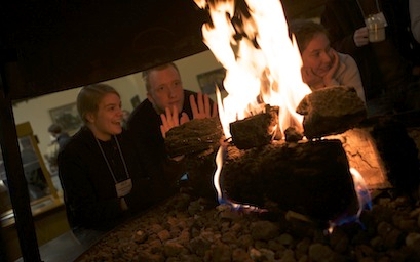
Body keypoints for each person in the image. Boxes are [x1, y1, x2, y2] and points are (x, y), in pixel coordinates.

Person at [58, 84, 155, 244]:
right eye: (111, 108)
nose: (120, 113)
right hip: (98, 234)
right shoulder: (72, 153)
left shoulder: (126, 138)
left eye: (119, 106)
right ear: (90, 116)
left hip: (135, 222)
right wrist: (125, 203)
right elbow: (83, 212)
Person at [126, 62, 217, 197]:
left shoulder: (202, 105)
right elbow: (155, 183)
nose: (172, 94)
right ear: (150, 96)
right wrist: (176, 152)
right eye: (162, 88)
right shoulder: (137, 126)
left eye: (176, 84)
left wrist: (206, 136)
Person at [320, 0, 420, 114]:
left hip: (407, 80)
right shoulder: (336, 6)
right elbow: (330, 47)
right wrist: (352, 41)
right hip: (373, 90)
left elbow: (410, 28)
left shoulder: (392, 3)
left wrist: (415, 63)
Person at [289, 19, 366, 102]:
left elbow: (357, 111)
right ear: (297, 58)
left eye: (328, 48)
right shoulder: (284, 77)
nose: (328, 59)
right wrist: (317, 86)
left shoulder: (345, 63)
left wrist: (329, 83)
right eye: (316, 54)